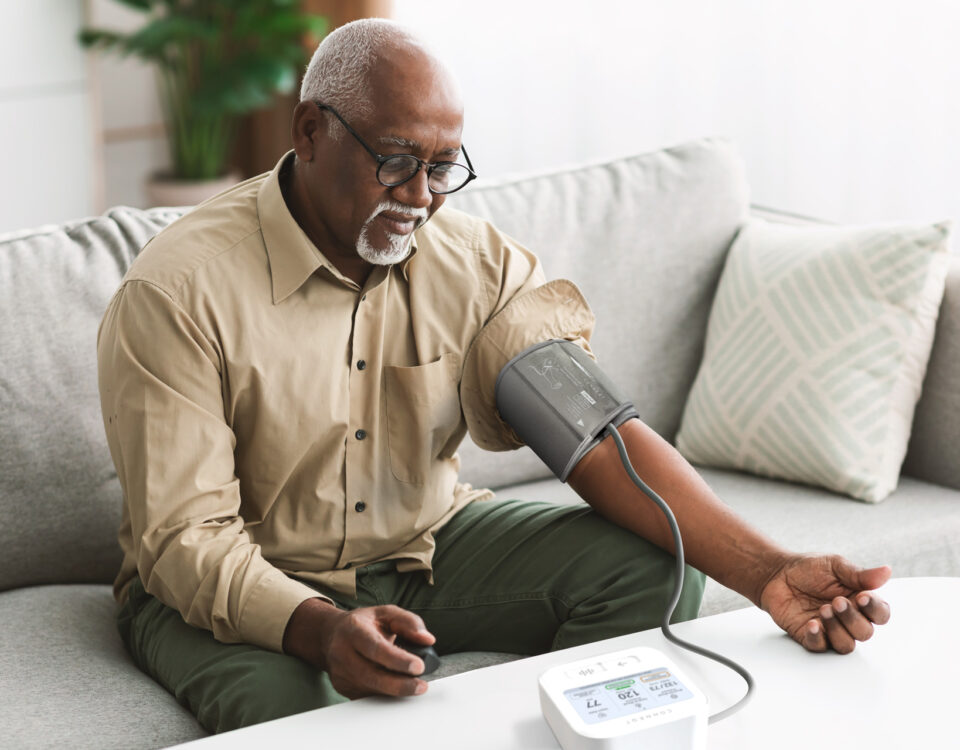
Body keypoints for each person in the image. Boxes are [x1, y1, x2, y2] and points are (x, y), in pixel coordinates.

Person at [97, 19, 891, 735]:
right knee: (305, 718)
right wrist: (317, 628)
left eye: (443, 169)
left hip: (422, 546)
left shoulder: (474, 263)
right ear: (310, 130)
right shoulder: (177, 291)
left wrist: (769, 572)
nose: (419, 199)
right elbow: (184, 541)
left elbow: (600, 442)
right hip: (233, 583)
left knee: (653, 571)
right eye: (397, 162)